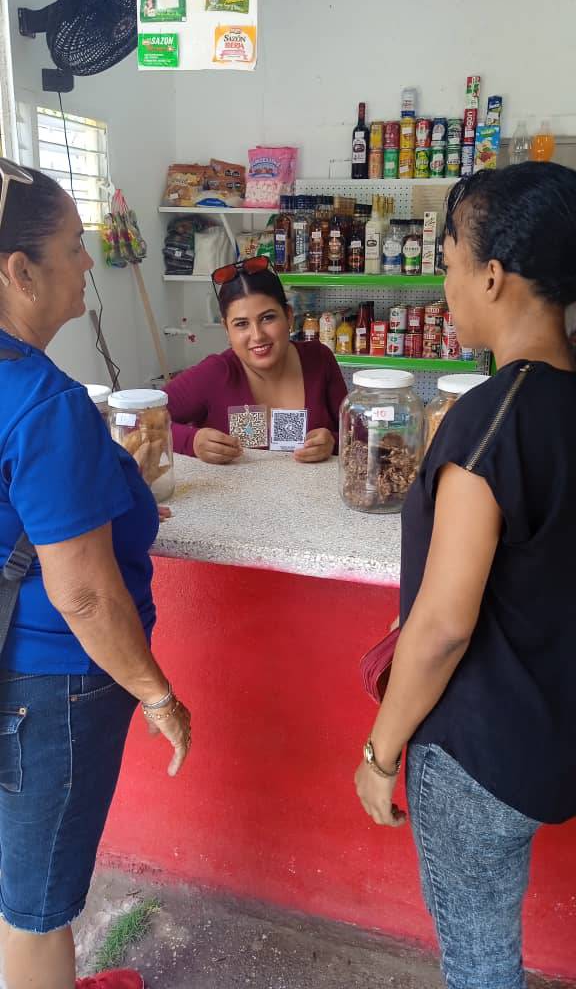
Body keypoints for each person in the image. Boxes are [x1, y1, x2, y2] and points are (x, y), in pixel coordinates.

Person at [354, 162, 576, 989]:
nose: (444, 285)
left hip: (478, 754)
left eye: (448, 262)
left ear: (492, 274)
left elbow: (443, 625)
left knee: (480, 965)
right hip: (552, 734)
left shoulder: (493, 418)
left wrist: (379, 756)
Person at [0, 159, 191, 989]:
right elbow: (82, 589)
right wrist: (157, 693)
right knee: (38, 906)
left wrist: (110, 480)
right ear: (20, 271)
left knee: (20, 868)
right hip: (51, 683)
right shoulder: (43, 400)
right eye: (75, 248)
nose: (89, 264)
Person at [166, 258, 347, 464]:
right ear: (227, 329)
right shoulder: (215, 372)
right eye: (241, 324)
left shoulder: (319, 359)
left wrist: (332, 442)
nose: (257, 335)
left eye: (268, 318)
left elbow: (357, 435)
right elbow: (135, 419)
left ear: (288, 316)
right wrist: (192, 441)